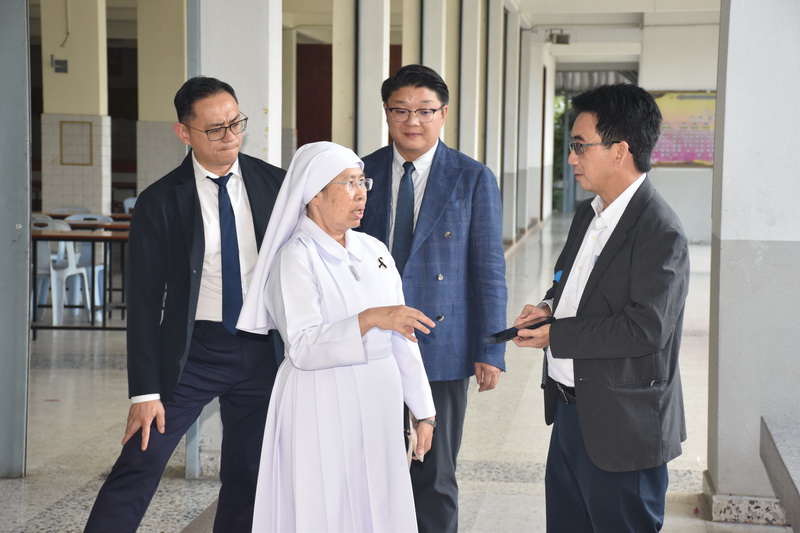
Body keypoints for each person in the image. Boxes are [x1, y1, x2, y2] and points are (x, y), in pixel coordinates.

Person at [84, 76, 285, 533]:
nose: (230, 136)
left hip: (264, 349)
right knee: (140, 460)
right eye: (214, 128)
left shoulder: (275, 184)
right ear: (184, 133)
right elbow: (142, 302)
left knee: (250, 472)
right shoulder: (159, 201)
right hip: (193, 352)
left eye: (235, 123)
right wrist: (144, 392)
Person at [512, 83, 690, 532]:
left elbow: (646, 328)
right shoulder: (588, 214)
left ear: (620, 151)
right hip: (571, 413)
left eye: (580, 146)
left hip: (623, 428)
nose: (571, 159)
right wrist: (548, 308)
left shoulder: (659, 230)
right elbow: (568, 283)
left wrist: (557, 335)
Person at [237, 141, 437, 532]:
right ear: (314, 194)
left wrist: (423, 410)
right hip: (320, 399)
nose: (361, 193)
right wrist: (368, 319)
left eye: (363, 181)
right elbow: (303, 347)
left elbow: (402, 333)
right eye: (348, 183)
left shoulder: (374, 250)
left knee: (377, 503)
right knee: (325, 504)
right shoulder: (295, 258)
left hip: (377, 400)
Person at [359, 64, 508, 533]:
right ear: (386, 113)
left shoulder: (472, 177)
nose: (412, 121)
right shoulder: (360, 172)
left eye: (425, 110)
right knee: (372, 469)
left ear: (443, 114)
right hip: (371, 341)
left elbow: (489, 269)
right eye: (400, 110)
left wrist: (491, 348)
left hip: (440, 345)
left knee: (435, 474)